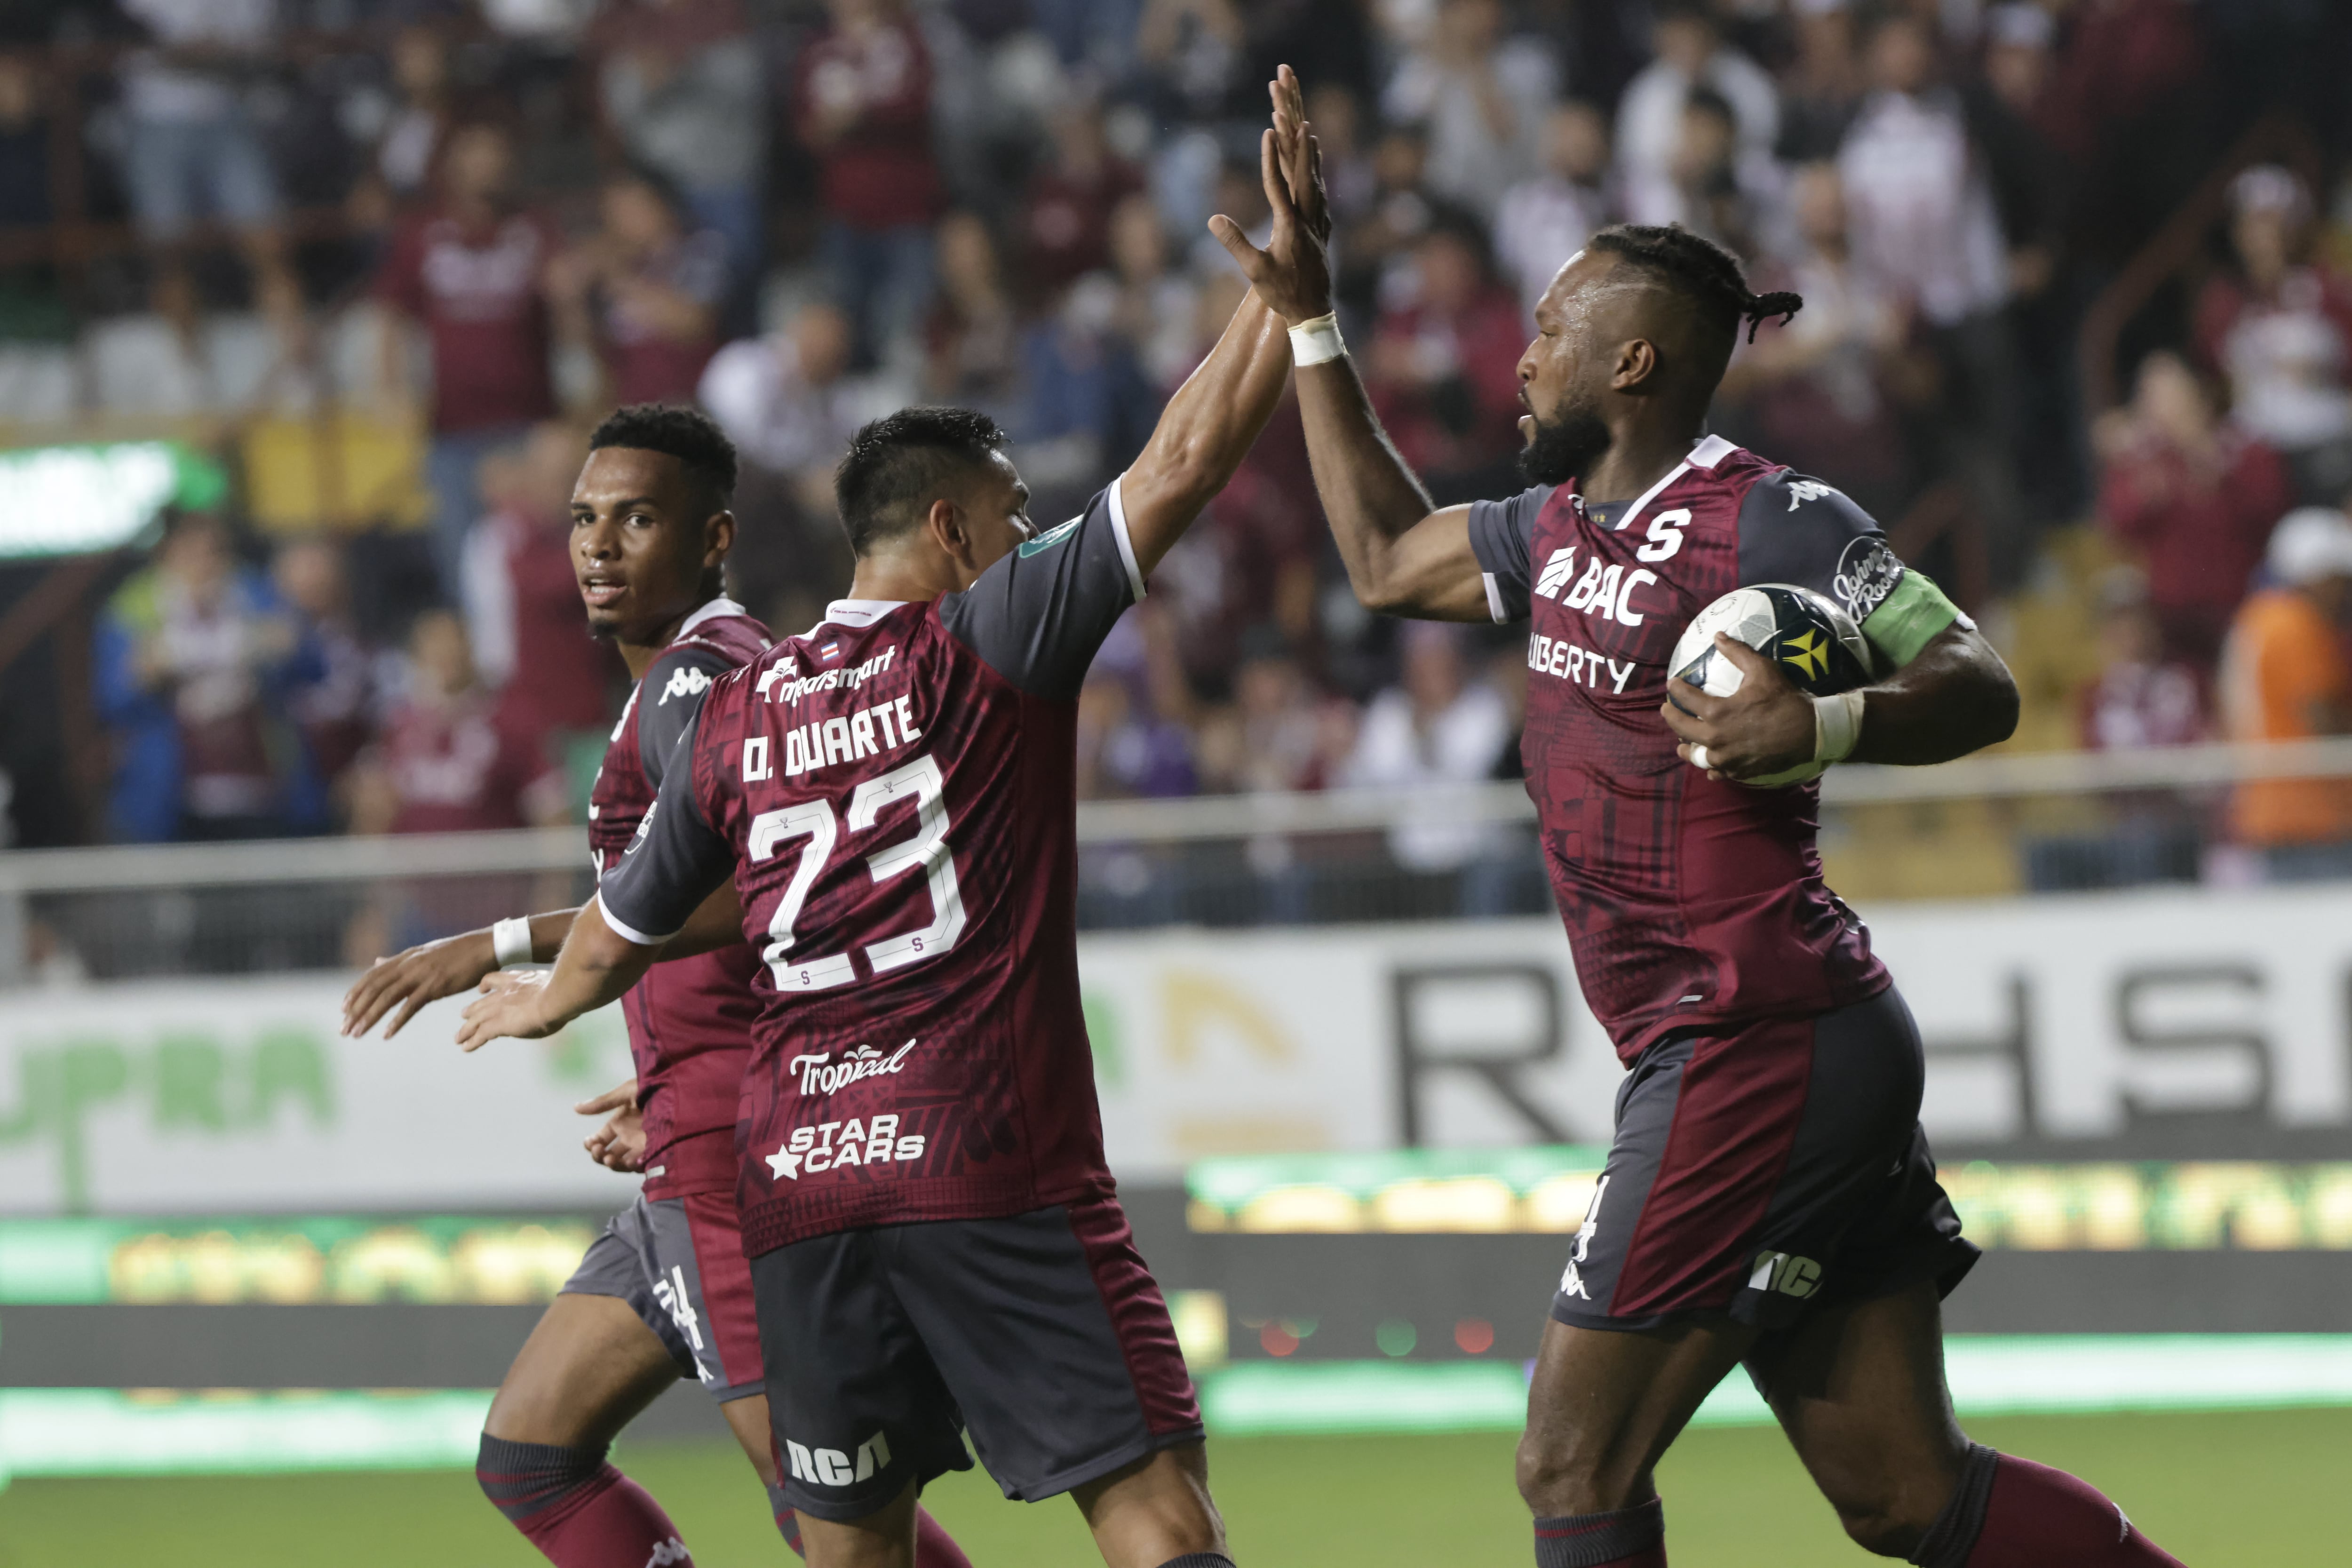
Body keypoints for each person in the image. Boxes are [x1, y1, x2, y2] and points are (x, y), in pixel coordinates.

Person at [1217, 67, 2183, 1567]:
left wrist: (1825, 721)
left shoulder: (1774, 516)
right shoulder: (1554, 528)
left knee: (1570, 1455)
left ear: (1632, 360)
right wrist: (1311, 321)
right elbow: (1383, 557)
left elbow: (1979, 678)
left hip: (1755, 1034)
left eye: (1552, 326)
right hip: (1764, 1041)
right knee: (1904, 1494)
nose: (1521, 353)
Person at [451, 73, 1306, 1568]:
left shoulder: (740, 710)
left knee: (848, 1546)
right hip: (984, 1150)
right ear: (955, 530)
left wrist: (544, 992)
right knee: (1149, 1507)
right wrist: (1284, 300)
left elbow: (629, 925)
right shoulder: (985, 637)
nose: (1029, 536)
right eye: (1015, 515)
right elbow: (1178, 463)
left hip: (800, 1180)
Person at [341, 406, 974, 1568]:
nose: (599, 544)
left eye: (637, 519)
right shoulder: (705, 675)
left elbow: (748, 878)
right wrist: (670, 1066)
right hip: (695, 1120)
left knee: (834, 1521)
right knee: (532, 1451)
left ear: (713, 538)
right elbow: (758, 902)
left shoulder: (696, 678)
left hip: (735, 1163)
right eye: (585, 519)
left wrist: (504, 946)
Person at [373, 121, 563, 599]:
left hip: (528, 421)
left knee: (540, 559)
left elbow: (567, 304)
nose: (487, 166)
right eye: (476, 154)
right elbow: (392, 315)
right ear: (452, 165)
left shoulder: (533, 229)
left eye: (496, 154)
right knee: (461, 565)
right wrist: (392, 389)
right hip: (453, 430)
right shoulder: (424, 233)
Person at [2094, 349, 2294, 671]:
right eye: (2150, 394)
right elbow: (2117, 524)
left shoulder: (2245, 447)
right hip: (2173, 616)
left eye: (2170, 390)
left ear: (2200, 391)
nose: (2161, 404)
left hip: (2243, 604)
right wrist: (2148, 488)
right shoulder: (2141, 460)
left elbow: (2271, 511)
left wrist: (2211, 467)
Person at [2219, 506, 2352, 883]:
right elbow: (2320, 718)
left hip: (2268, 806)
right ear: (2315, 575)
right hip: (2311, 812)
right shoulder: (2295, 625)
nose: (2345, 591)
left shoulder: (2256, 618)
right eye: (2339, 579)